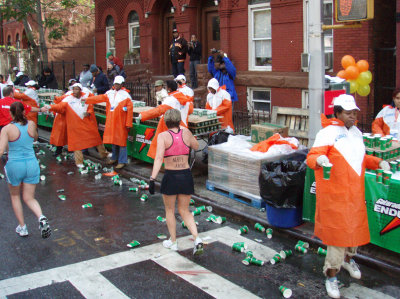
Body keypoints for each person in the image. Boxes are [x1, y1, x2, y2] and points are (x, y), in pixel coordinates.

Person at [306, 94, 389, 299]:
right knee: (336, 239)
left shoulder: (357, 134)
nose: (353, 116)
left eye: (354, 112)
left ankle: (349, 259)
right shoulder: (327, 133)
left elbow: (358, 158)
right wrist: (320, 159)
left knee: (354, 233)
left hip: (355, 195)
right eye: (348, 112)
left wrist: (377, 163)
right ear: (337, 112)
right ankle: (331, 275)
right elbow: (311, 158)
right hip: (334, 197)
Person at [149, 108, 203, 255]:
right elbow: (197, 146)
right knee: (185, 210)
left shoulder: (163, 136)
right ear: (179, 120)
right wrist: (191, 137)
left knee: (170, 210)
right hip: (186, 175)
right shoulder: (186, 132)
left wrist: (152, 178)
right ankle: (197, 238)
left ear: (166, 122)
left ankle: (173, 242)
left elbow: (159, 159)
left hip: (171, 176)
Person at [0, 101, 51, 238]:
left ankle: (23, 227)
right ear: (24, 112)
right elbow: (34, 137)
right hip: (31, 164)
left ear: (10, 113)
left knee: (15, 196)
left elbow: (1, 150)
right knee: (29, 197)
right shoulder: (32, 124)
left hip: (15, 165)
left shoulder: (6, 129)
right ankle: (41, 217)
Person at [45, 83, 108, 167]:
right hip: (74, 125)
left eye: (76, 89)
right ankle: (79, 162)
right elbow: (59, 107)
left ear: (80, 90)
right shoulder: (68, 99)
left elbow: (90, 107)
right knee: (76, 144)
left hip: (86, 123)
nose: (74, 91)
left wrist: (88, 113)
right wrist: (50, 107)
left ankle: (104, 154)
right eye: (73, 89)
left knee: (96, 139)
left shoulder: (85, 98)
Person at [86, 76, 133, 169]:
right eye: (115, 84)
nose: (116, 86)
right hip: (111, 121)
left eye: (118, 84)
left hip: (121, 123)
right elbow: (99, 98)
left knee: (121, 142)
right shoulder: (109, 93)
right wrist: (87, 100)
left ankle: (122, 161)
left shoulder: (126, 96)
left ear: (122, 84)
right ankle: (114, 157)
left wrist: (128, 124)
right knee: (113, 141)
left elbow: (130, 111)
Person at [138, 80, 192, 160]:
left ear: (169, 88)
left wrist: (142, 115)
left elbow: (158, 111)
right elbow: (190, 110)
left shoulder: (170, 100)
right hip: (182, 126)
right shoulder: (185, 98)